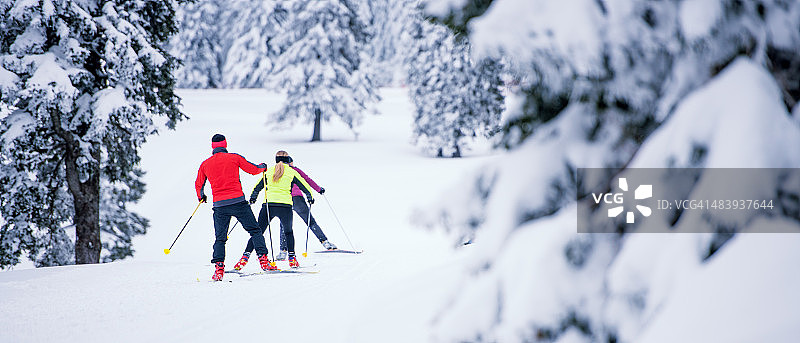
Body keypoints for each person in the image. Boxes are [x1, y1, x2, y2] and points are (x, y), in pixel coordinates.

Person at [195, 134, 273, 281]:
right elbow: (253, 169)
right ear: (225, 144)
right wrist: (263, 167)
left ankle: (219, 269)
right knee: (255, 231)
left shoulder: (205, 164)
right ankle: (263, 260)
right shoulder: (234, 158)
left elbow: (199, 184)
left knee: (220, 238)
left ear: (212, 146)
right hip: (238, 202)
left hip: (220, 206)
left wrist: (201, 196)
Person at [235, 150, 317, 269]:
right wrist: (310, 198)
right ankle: (292, 260)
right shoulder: (292, 172)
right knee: (288, 232)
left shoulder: (269, 171)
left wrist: (253, 198)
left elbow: (257, 187)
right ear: (288, 160)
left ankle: (244, 258)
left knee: (257, 232)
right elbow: (305, 186)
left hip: (269, 206)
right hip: (285, 206)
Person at [273, 154, 336, 261]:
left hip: (283, 199)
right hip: (297, 199)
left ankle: (283, 252)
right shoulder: (294, 170)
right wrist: (319, 189)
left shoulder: (275, 171)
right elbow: (307, 180)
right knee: (310, 221)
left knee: (284, 226)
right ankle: (325, 242)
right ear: (290, 162)